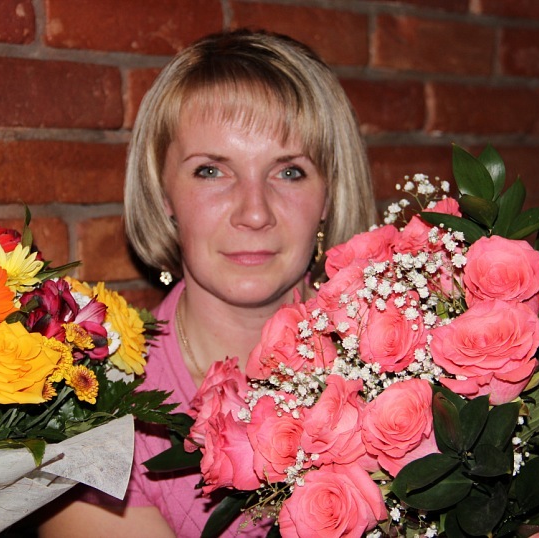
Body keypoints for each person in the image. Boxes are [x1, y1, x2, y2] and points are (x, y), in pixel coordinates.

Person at [39, 28, 376, 537]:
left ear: (328, 194)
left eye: (289, 172)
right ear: (163, 193)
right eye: (211, 171)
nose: (254, 212)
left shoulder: (412, 357)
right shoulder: (98, 417)